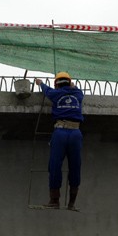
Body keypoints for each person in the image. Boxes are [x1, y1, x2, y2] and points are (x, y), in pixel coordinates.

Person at [35, 72, 84, 210]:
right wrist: (73, 86)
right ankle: (72, 203)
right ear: (70, 82)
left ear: (56, 84)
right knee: (75, 166)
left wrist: (40, 83)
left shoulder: (55, 94)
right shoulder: (78, 94)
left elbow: (46, 89)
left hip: (60, 132)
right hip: (75, 132)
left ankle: (54, 200)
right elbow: (76, 89)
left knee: (55, 165)